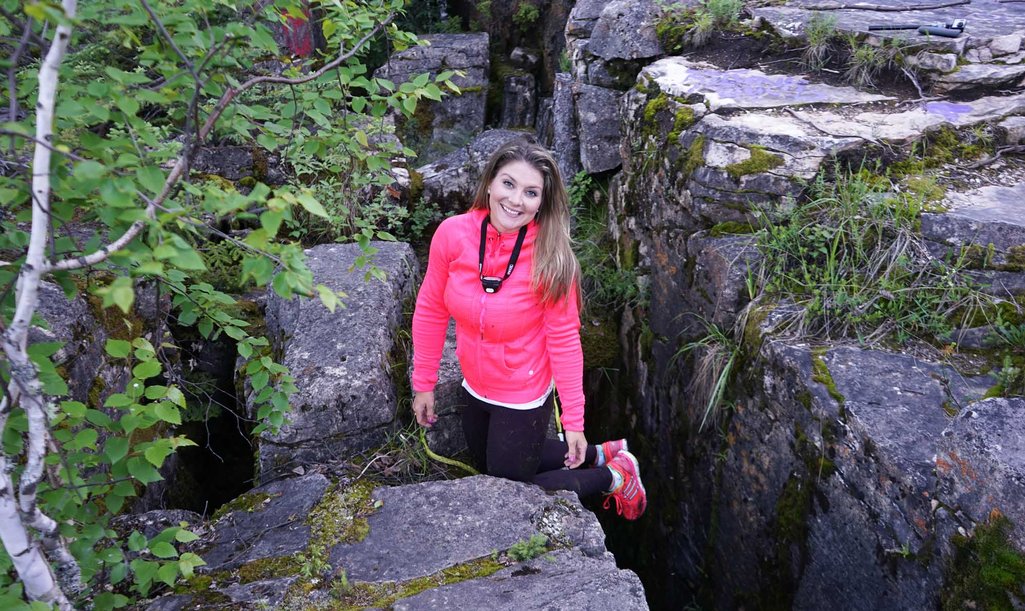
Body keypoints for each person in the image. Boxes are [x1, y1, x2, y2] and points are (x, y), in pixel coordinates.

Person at [410, 138, 646, 520]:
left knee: (507, 482)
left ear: (543, 201)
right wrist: (424, 382)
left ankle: (613, 475)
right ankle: (600, 452)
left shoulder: (551, 259)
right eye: (508, 184)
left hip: (523, 391)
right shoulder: (452, 234)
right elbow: (431, 308)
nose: (516, 200)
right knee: (487, 459)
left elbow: (565, 342)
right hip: (475, 380)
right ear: (489, 183)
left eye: (530, 192)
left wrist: (573, 422)